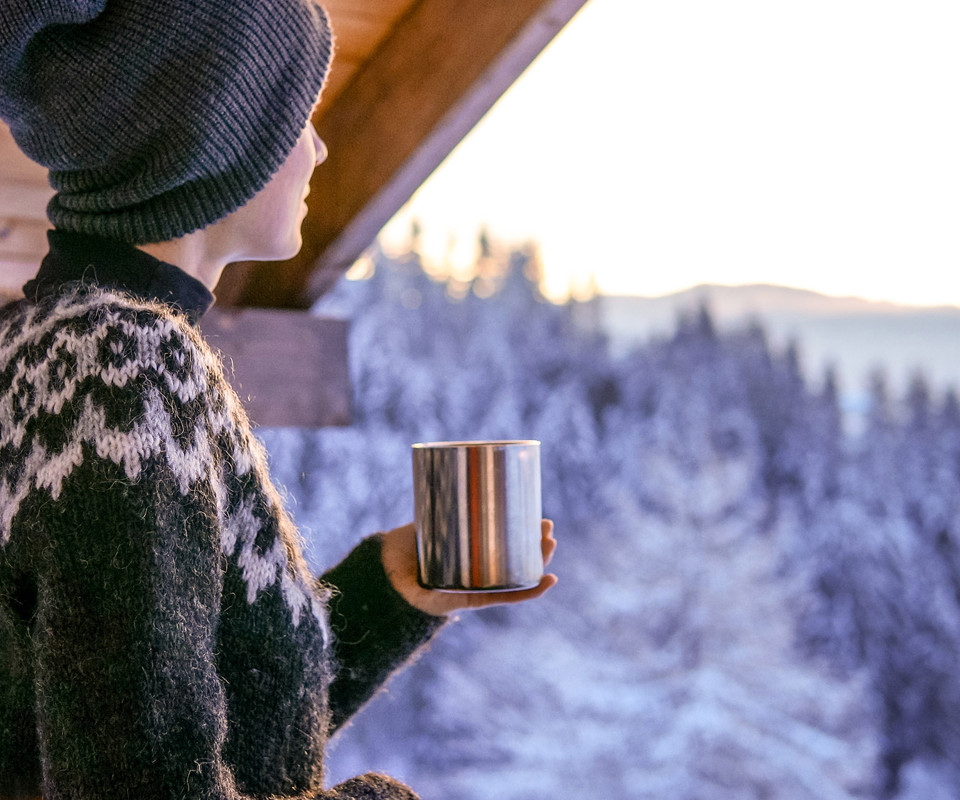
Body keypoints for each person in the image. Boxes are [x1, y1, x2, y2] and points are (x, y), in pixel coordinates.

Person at [0, 1, 556, 798]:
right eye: (302, 120)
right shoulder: (122, 369)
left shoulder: (46, 343)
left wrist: (391, 591)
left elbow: (209, 719)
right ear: (214, 145)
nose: (321, 148)